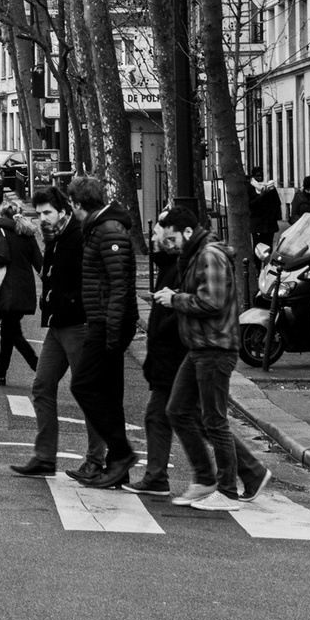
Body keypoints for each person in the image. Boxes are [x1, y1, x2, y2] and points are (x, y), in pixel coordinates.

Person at [154, 206, 273, 511]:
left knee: (214, 420)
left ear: (188, 232)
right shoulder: (197, 255)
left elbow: (212, 301)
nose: (172, 244)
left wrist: (175, 299)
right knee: (179, 410)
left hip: (215, 348)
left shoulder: (210, 255)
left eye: (174, 239)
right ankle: (217, 477)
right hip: (201, 347)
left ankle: (227, 490)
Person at [9, 186, 108, 480]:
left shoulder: (78, 236)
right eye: (38, 214)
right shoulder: (55, 236)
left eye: (47, 213)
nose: (42, 219)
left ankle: (96, 460)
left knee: (88, 391)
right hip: (57, 324)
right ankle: (44, 456)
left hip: (78, 323)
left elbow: (92, 277)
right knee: (41, 385)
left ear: (64, 211)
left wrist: (72, 302)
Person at [67, 175, 138, 489]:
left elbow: (119, 285)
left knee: (83, 385)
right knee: (109, 393)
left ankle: (121, 454)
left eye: (73, 205)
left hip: (108, 323)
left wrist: (111, 333)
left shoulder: (109, 231)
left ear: (79, 205)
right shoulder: (101, 228)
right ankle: (116, 466)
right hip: (106, 321)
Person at [123, 209, 189, 498]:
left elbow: (193, 307)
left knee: (199, 421)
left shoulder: (182, 265)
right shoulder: (168, 264)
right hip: (168, 354)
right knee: (159, 416)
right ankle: (156, 476)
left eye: (159, 231)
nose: (153, 236)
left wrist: (169, 307)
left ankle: (249, 472)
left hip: (177, 355)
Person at [0, 198, 41, 385]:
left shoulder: (1, 229)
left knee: (13, 334)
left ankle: (39, 367)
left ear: (3, 214)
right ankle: (0, 373)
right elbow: (39, 264)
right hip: (25, 289)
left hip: (8, 290)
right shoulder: (27, 232)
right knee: (8, 332)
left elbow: (2, 256)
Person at [248, 167, 282, 251]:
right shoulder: (250, 188)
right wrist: (260, 196)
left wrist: (272, 215)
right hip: (257, 223)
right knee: (258, 248)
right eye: (257, 176)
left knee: (269, 246)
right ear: (253, 177)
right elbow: (250, 205)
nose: (260, 178)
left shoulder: (270, 188)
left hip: (269, 223)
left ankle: (267, 263)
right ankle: (257, 264)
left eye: (261, 176)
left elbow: (277, 202)